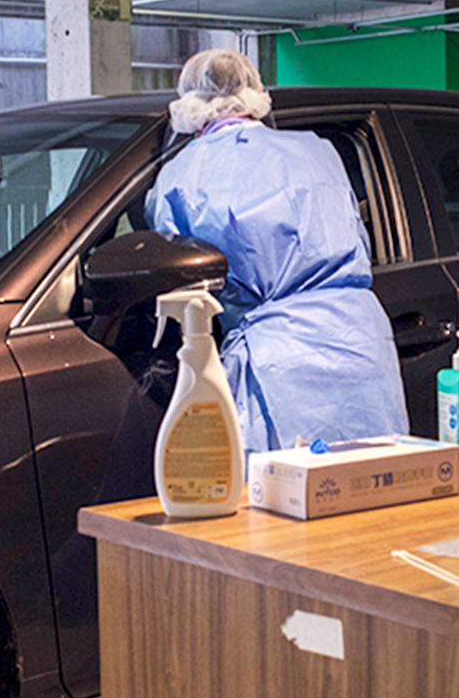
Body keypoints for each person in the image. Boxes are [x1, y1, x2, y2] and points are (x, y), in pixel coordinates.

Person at [145, 49, 408, 453]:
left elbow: (172, 262)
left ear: (190, 108)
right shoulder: (317, 150)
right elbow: (357, 234)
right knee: (372, 487)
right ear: (255, 95)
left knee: (286, 501)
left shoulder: (182, 175)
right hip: (359, 342)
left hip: (279, 364)